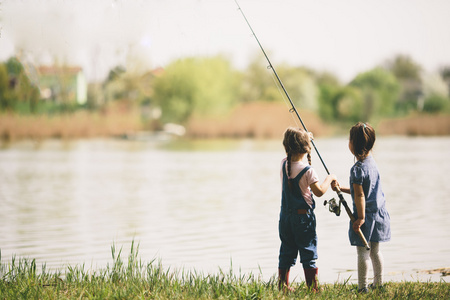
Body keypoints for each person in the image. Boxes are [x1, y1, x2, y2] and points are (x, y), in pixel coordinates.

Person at [332, 122, 391, 293]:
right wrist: (340, 188)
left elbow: (360, 195)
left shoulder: (357, 170)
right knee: (375, 251)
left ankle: (362, 288)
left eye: (349, 139)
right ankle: (379, 284)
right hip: (379, 214)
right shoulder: (372, 163)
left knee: (363, 253)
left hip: (366, 217)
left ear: (353, 145)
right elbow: (362, 191)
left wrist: (361, 218)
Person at [278, 127, 336, 292]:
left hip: (285, 219)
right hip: (304, 220)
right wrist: (330, 178)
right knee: (308, 252)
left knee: (286, 251)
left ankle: (282, 286)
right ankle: (313, 288)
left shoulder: (283, 164)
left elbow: (294, 151)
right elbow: (319, 192)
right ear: (306, 148)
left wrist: (305, 138)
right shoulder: (308, 171)